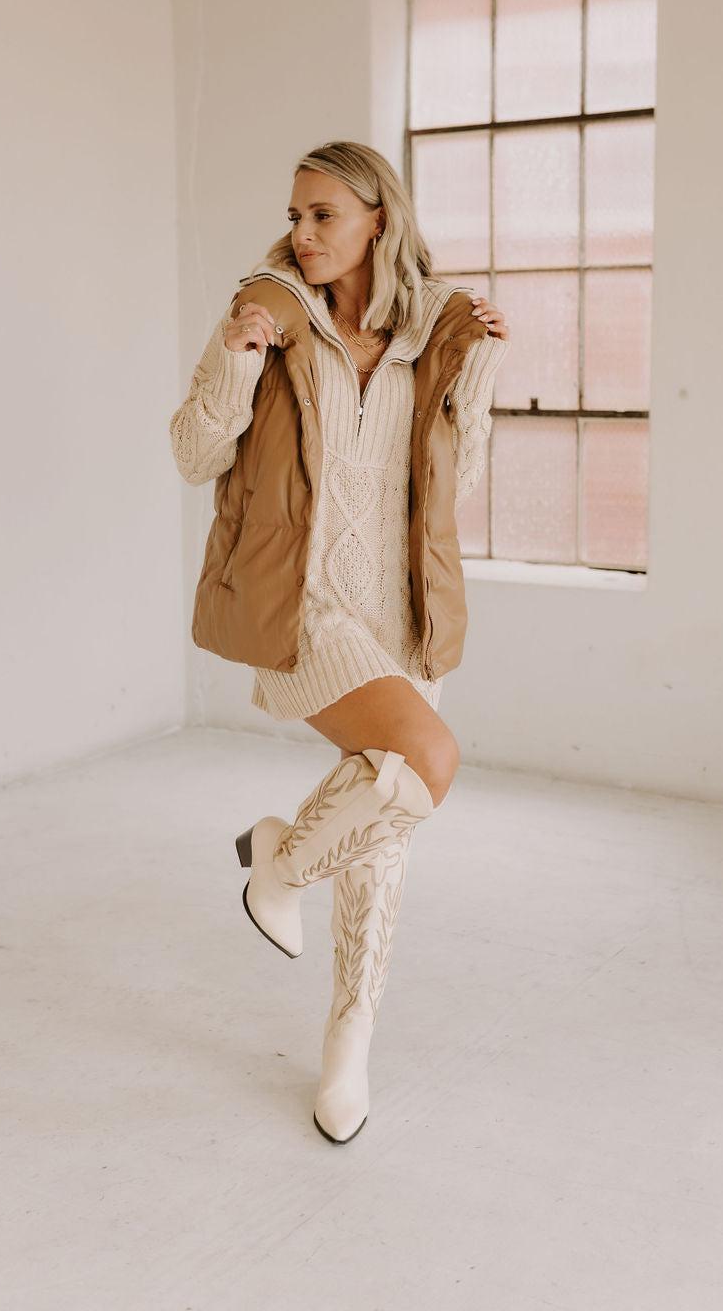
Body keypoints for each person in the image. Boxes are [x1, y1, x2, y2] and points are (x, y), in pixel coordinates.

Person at [169, 140, 510, 1143]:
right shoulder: (267, 316)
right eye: (297, 215)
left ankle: (347, 1047)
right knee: (426, 759)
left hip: (403, 610)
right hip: (305, 603)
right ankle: (275, 870)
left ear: (378, 220)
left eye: (325, 215)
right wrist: (236, 364)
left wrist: (479, 372)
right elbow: (192, 453)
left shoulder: (433, 330)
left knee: (385, 833)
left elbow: (460, 481)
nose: (303, 233)